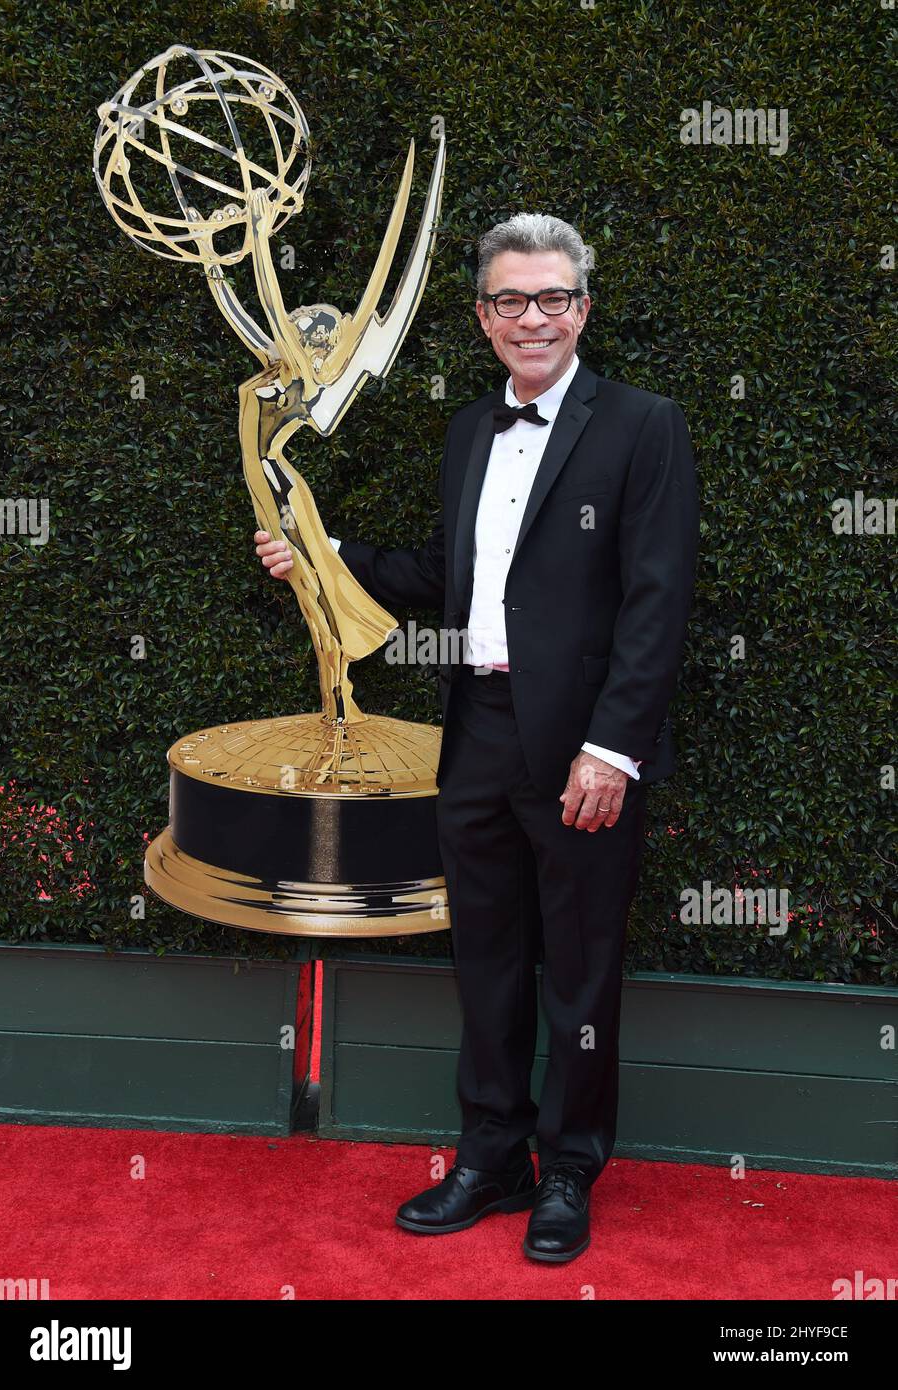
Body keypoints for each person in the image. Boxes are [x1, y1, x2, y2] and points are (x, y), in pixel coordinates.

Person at [256, 212, 699, 1264]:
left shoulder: (645, 425)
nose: (531, 316)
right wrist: (324, 556)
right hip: (478, 734)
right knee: (488, 960)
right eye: (510, 299)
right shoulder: (467, 431)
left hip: (584, 746)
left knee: (580, 971)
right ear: (482, 317)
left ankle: (570, 1168)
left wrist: (614, 748)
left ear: (583, 309)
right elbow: (445, 577)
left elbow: (657, 600)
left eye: (552, 297)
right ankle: (490, 1155)